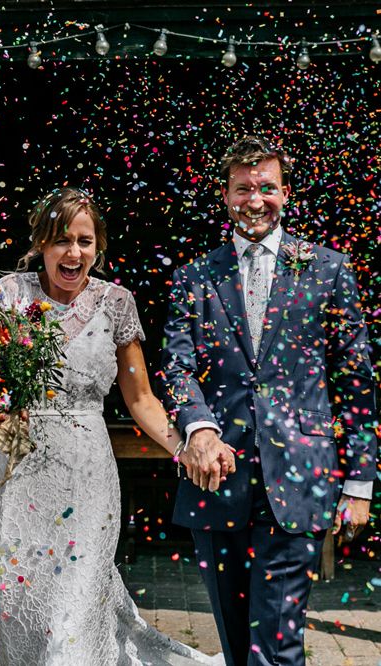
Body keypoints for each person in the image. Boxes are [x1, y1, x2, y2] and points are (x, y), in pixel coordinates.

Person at [160, 136, 377, 666]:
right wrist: (198, 428)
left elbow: (357, 383)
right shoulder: (195, 276)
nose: (255, 200)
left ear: (285, 193)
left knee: (275, 648)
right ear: (224, 194)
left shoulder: (328, 269)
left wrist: (361, 482)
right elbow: (176, 367)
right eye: (243, 189)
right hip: (217, 476)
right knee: (238, 646)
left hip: (301, 478)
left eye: (266, 188)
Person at [0, 187, 224, 665]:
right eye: (61, 241)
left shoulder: (117, 302)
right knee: (22, 609)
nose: (73, 253)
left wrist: (188, 448)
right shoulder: (11, 294)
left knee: (75, 608)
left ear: (99, 247)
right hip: (19, 471)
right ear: (40, 245)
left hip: (87, 476)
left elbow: (140, 399)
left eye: (84, 241)